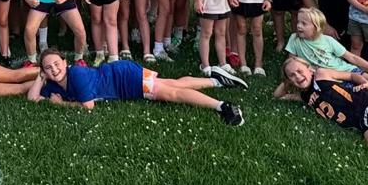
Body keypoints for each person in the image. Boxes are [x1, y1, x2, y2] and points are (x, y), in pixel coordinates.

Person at [29, 49, 245, 126]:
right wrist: (40, 77)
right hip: (122, 78)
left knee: (171, 93)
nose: (54, 69)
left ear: (65, 62)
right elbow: (32, 99)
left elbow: (88, 107)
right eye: (48, 68)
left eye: (56, 64)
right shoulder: (55, 84)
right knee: (172, 84)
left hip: (125, 78)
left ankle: (223, 106)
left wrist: (61, 105)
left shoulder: (75, 74)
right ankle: (217, 80)